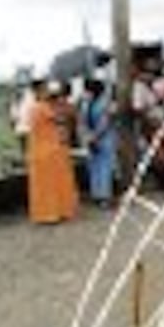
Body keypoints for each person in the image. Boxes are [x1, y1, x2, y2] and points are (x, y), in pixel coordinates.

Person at [27, 79, 79, 223]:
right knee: (53, 184)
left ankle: (51, 212)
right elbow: (61, 119)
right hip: (50, 151)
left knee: (48, 185)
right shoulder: (42, 108)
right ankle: (54, 212)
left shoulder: (36, 107)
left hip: (43, 151)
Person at [80, 79, 117, 208]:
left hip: (98, 138)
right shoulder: (97, 103)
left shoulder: (96, 104)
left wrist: (91, 137)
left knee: (100, 168)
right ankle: (101, 196)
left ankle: (100, 196)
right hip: (99, 138)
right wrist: (92, 137)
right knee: (99, 167)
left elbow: (103, 122)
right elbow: (102, 123)